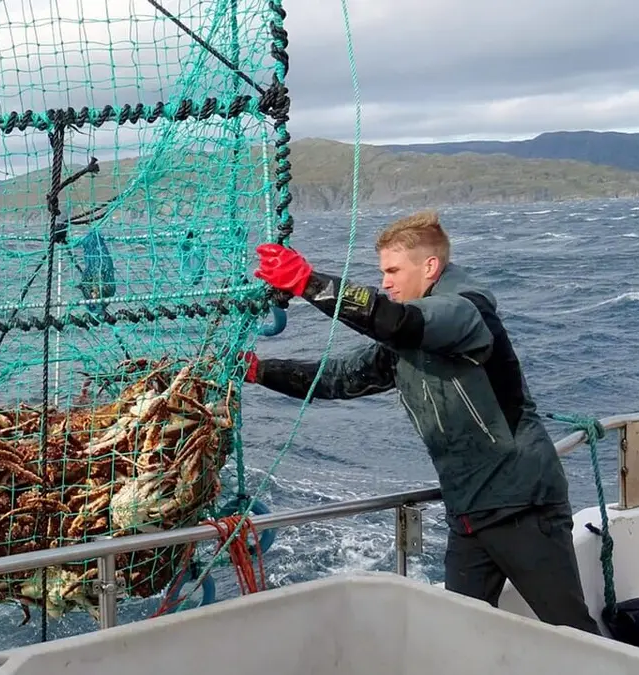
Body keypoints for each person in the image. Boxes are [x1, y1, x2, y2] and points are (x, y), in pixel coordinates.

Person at [242, 210, 601, 635]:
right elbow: (338, 378)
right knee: (457, 635)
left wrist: (308, 283)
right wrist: (257, 370)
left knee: (573, 635)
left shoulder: (465, 312)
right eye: (382, 273)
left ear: (430, 267)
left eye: (393, 271)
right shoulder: (403, 343)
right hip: (468, 513)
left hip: (520, 504)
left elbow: (398, 323)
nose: (386, 282)